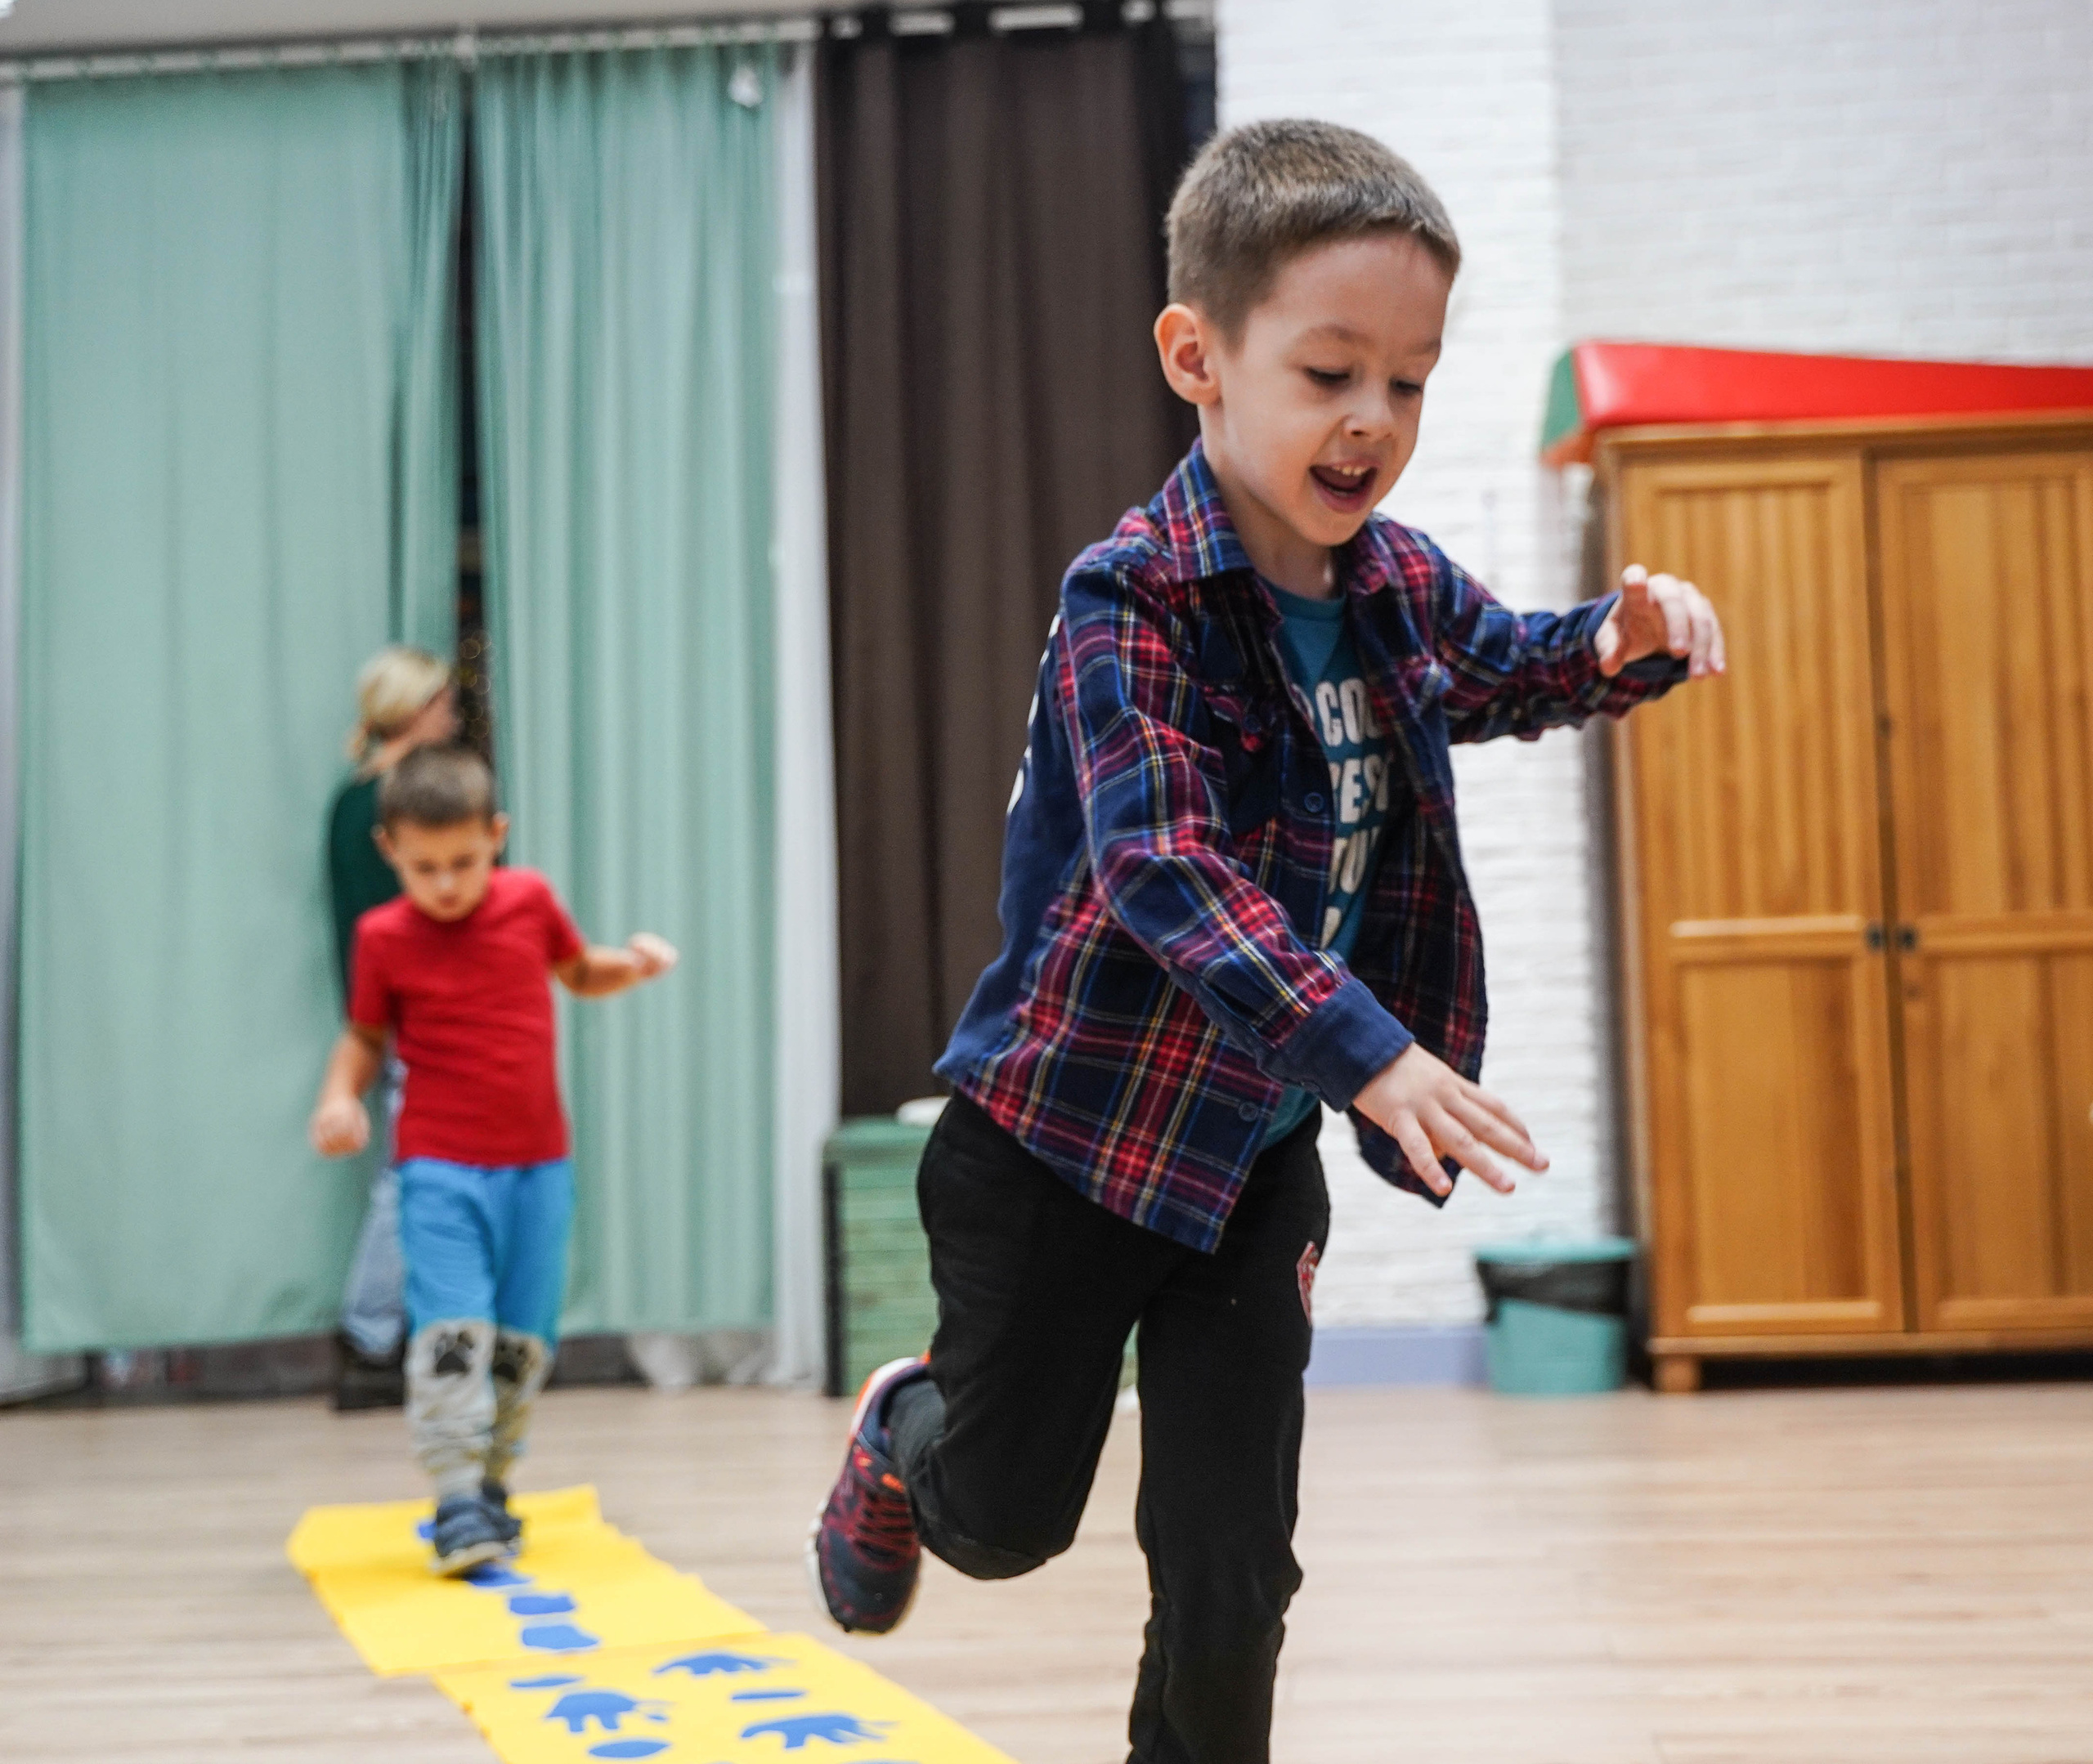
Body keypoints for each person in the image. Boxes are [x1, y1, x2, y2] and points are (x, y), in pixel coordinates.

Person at [809, 119, 1725, 1762]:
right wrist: (1370, 1048)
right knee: (1005, 1519)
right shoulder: (1132, 599)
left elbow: (1501, 665)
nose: (1372, 418)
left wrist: (1616, 637)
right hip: (1061, 1148)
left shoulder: (1394, 582)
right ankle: (904, 1430)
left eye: (1407, 381)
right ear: (1197, 357)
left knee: (1233, 1564)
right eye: (1327, 371)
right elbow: (1164, 866)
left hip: (1243, 1155)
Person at [308, 744, 678, 1575]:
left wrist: (633, 964)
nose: (446, 885)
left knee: (521, 1340)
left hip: (538, 1168)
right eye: (425, 867)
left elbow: (578, 971)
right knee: (451, 1332)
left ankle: (490, 1483)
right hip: (439, 1168)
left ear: (496, 838)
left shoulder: (529, 901)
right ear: (390, 850)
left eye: (464, 863)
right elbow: (364, 1036)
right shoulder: (383, 937)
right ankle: (453, 1497)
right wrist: (339, 1097)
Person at [325, 646, 459, 1411]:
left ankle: (386, 1332)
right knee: (411, 1174)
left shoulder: (356, 798)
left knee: (416, 1171)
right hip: (418, 1014)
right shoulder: (399, 804)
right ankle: (370, 1333)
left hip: (390, 1012)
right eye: (441, 701)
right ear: (411, 710)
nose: (452, 714)